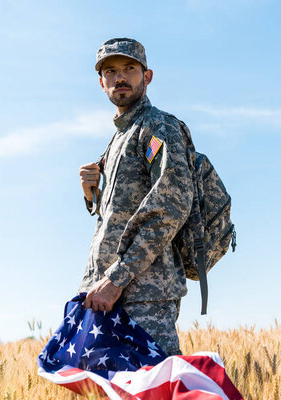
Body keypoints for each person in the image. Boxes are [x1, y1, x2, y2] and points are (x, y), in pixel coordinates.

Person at [77, 38, 195, 355]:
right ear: (101, 83)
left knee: (153, 388)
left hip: (144, 296)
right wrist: (94, 196)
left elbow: (171, 207)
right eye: (111, 71)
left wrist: (116, 279)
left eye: (130, 68)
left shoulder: (157, 126)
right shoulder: (117, 138)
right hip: (104, 294)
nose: (120, 77)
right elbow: (121, 214)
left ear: (147, 76)